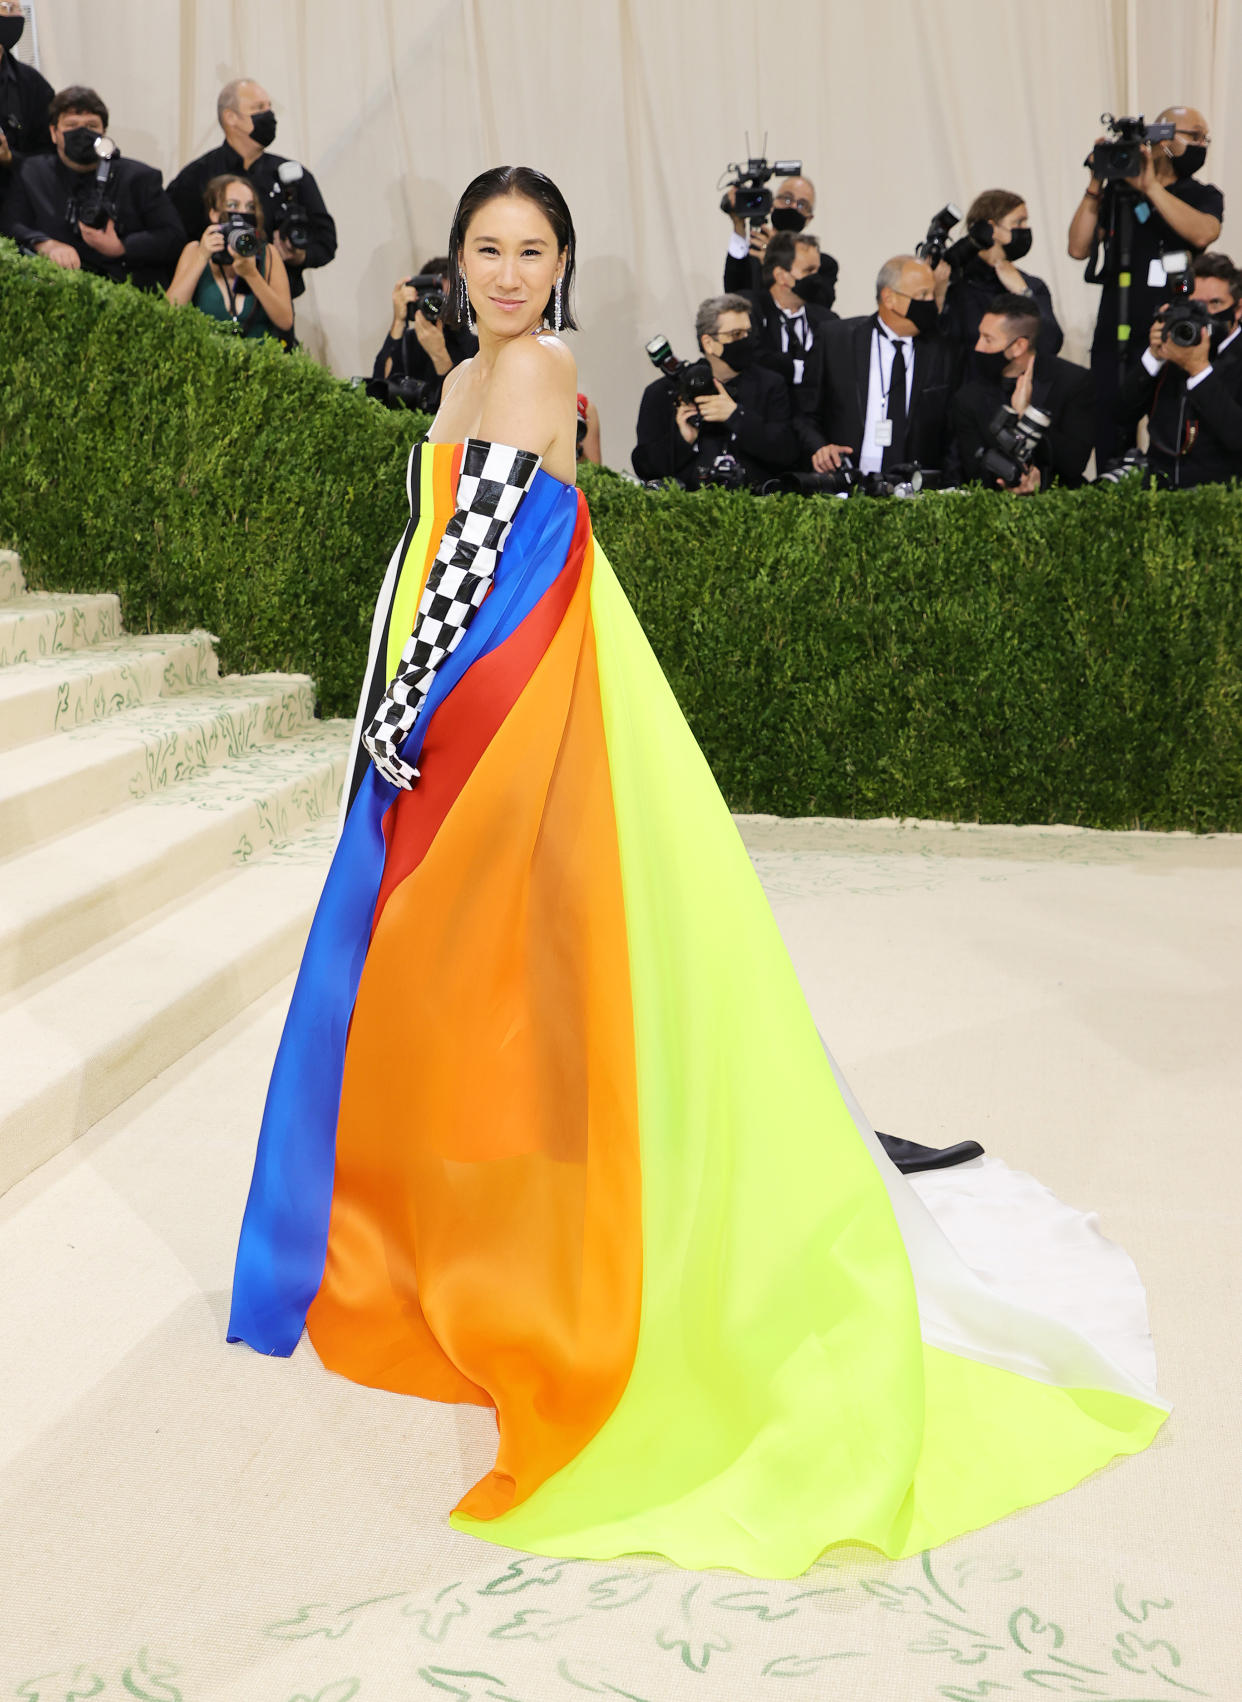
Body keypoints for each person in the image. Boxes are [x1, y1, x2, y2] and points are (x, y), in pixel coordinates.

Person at [226, 162, 1166, 1580]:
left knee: (505, 979)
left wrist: (403, 704)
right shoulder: (469, 374)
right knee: (498, 980)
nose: (504, 271)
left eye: (529, 249)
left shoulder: (531, 371)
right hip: (471, 701)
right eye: (484, 246)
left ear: (562, 262)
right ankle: (499, 1238)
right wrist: (400, 690)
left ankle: (549, 1260)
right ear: (458, 254)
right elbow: (432, 549)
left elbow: (478, 556)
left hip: (499, 707)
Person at [1068, 104, 1223, 470]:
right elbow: (1077, 248)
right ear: (1163, 139)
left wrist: (1151, 187)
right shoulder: (1119, 194)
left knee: (1170, 423)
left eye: (1206, 138)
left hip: (1173, 330)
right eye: (1195, 136)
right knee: (1108, 423)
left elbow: (1204, 232)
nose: (1203, 144)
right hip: (1114, 332)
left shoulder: (1201, 194)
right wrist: (1096, 181)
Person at [167, 77, 336, 302]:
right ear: (230, 117)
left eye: (269, 107)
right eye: (258, 108)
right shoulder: (196, 177)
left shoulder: (292, 176)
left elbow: (326, 241)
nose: (269, 115)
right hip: (210, 306)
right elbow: (170, 242)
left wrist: (298, 255)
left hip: (275, 309)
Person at [0, 84, 185, 289]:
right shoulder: (31, 173)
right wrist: (45, 244)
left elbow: (173, 236)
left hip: (128, 291)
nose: (82, 133)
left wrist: (121, 247)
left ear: (103, 131)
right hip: (59, 290)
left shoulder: (139, 178)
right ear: (53, 132)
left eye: (91, 126)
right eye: (72, 125)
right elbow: (11, 224)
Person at [795, 254, 961, 480]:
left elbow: (952, 429)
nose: (931, 303)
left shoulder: (943, 351)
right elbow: (804, 414)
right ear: (889, 298)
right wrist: (820, 449)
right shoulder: (836, 339)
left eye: (932, 294)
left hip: (915, 493)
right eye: (922, 295)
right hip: (845, 484)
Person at [631, 293, 798, 489]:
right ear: (709, 343)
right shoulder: (662, 392)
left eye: (748, 333)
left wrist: (736, 417)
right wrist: (683, 439)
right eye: (736, 334)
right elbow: (645, 467)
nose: (746, 340)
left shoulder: (770, 385)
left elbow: (788, 453)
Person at [1118, 252, 1242, 488]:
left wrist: (1198, 370)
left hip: (1222, 498)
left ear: (1238, 309)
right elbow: (1122, 415)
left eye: (1215, 304)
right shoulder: (1172, 347)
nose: (1204, 314)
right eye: (1196, 305)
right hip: (1160, 492)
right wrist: (1153, 357)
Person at [951, 293, 1094, 490]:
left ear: (1019, 346)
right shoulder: (969, 396)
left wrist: (1027, 414)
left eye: (988, 339)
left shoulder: (1073, 382)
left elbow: (1073, 462)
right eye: (979, 336)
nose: (978, 347)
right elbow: (974, 470)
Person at [165, 173, 293, 341]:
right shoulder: (194, 250)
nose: (241, 213)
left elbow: (285, 321)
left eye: (250, 207)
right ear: (214, 214)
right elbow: (169, 313)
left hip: (259, 360)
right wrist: (202, 258)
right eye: (232, 205)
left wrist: (251, 274)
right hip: (207, 359)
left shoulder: (268, 253)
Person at [941, 189, 1063, 356]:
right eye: (1018, 223)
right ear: (992, 228)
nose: (1025, 229)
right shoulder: (956, 284)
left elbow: (1050, 344)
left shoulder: (1031, 285)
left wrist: (1023, 292)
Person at [733, 230, 837, 395]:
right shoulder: (749, 310)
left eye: (818, 272)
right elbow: (752, 359)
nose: (817, 279)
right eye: (809, 271)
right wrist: (804, 370)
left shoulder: (827, 320)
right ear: (781, 276)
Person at [370, 256, 478, 411]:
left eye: (447, 298)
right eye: (432, 298)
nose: (438, 307)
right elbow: (379, 388)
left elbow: (468, 406)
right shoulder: (407, 341)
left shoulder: (477, 348)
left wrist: (439, 354)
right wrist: (399, 322)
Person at [722, 170, 839, 309]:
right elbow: (733, 294)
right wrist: (739, 227)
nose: (793, 206)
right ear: (772, 204)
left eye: (802, 204)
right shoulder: (754, 251)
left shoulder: (821, 265)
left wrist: (776, 257)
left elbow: (821, 305)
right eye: (787, 199)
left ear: (809, 218)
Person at [0, 0, 54, 196]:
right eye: (6, 6)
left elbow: (50, 152)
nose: (14, 14)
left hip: (16, 199)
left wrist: (10, 158)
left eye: (17, 8)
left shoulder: (31, 83)